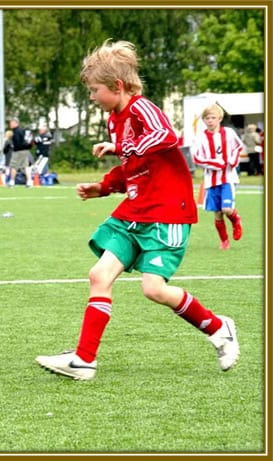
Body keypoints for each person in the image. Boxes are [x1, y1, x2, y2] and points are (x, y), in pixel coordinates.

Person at [35, 40, 239, 381]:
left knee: (153, 289)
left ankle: (219, 329)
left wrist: (121, 146)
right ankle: (84, 360)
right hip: (134, 210)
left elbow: (165, 136)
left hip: (168, 211)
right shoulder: (115, 119)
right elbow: (134, 165)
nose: (91, 97)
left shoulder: (142, 109)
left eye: (94, 90)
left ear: (117, 87)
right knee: (99, 275)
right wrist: (105, 186)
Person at [190, 103, 244, 250]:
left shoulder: (229, 133)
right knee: (218, 214)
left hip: (228, 178)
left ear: (219, 118)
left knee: (227, 209)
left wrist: (232, 161)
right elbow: (197, 158)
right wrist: (216, 163)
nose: (210, 120)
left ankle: (236, 220)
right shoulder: (200, 137)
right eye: (207, 118)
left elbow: (238, 147)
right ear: (204, 120)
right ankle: (224, 241)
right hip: (210, 180)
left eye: (213, 117)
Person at [7, 117, 33, 187]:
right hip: (25, 150)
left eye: (11, 123)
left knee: (13, 166)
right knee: (25, 166)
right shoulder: (23, 130)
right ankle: (29, 181)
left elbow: (18, 142)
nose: (10, 124)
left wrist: (15, 147)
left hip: (18, 151)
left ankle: (12, 181)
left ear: (15, 123)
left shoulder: (16, 131)